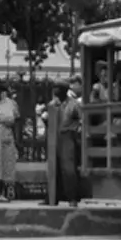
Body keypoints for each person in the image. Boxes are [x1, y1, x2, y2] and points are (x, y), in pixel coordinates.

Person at [50, 77, 83, 207]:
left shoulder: (74, 104)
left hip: (68, 135)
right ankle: (52, 198)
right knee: (54, 167)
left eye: (58, 88)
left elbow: (82, 120)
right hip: (54, 136)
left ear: (64, 90)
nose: (56, 91)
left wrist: (76, 131)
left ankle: (72, 197)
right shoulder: (53, 104)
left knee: (68, 168)